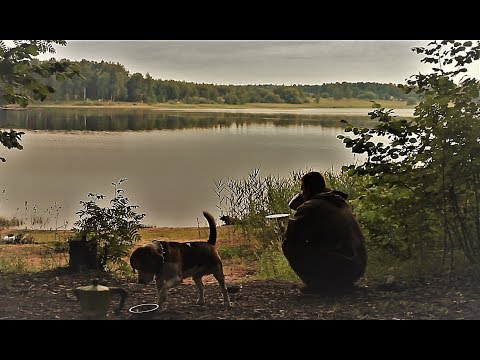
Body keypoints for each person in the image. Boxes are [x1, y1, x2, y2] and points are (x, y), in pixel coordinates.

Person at [282, 171, 367, 293]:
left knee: (289, 245)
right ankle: (336, 282)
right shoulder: (339, 201)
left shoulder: (311, 207)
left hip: (341, 267)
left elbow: (291, 237)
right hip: (356, 267)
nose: (301, 193)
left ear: (308, 189)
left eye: (302, 189)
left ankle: (318, 283)